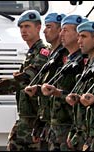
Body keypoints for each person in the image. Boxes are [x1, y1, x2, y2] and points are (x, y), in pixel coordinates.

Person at [0, 10, 50, 151]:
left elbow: (24, 80)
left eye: (27, 26)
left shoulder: (43, 53)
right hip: (26, 120)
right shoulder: (31, 54)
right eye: (21, 27)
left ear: (38, 28)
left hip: (35, 121)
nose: (23, 30)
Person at [41, 14, 88, 151]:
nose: (61, 34)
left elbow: (80, 96)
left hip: (70, 127)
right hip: (57, 127)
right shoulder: (66, 60)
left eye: (65, 30)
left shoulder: (83, 63)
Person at [24, 12, 68, 151]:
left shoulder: (66, 58)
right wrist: (40, 123)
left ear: (60, 30)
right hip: (48, 123)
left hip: (62, 125)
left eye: (49, 27)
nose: (44, 30)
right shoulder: (50, 55)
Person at [65, 20, 94, 151]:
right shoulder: (88, 65)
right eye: (79, 36)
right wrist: (74, 130)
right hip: (83, 134)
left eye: (84, 36)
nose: (79, 41)